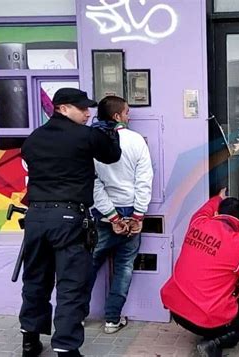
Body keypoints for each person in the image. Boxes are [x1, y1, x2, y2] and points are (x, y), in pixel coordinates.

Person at [19, 88, 122, 357]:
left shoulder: (33, 139)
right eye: (82, 108)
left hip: (36, 217)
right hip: (68, 218)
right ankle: (66, 348)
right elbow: (112, 155)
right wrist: (108, 130)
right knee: (71, 284)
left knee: (35, 280)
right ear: (63, 108)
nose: (88, 113)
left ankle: (29, 340)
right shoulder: (85, 136)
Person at [160, 189, 239, 357]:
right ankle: (214, 343)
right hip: (205, 315)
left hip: (177, 311)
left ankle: (213, 332)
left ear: (216, 213)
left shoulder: (198, 222)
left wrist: (218, 198)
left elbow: (205, 209)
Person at [89, 95, 153, 334]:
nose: (130, 116)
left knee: (89, 264)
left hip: (103, 212)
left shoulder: (92, 142)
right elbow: (144, 180)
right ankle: (112, 320)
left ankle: (75, 316)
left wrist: (112, 216)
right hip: (130, 210)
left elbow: (93, 184)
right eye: (127, 112)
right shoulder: (136, 140)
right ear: (117, 116)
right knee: (124, 267)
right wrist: (137, 216)